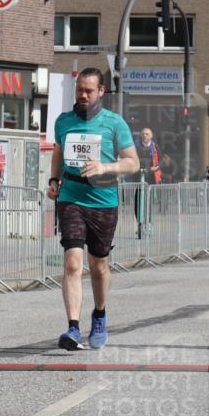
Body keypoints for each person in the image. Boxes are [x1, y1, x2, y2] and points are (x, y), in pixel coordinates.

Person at [47, 67, 140, 351]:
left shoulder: (114, 123)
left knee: (98, 266)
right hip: (71, 196)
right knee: (73, 262)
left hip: (103, 199)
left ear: (101, 91)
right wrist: (53, 179)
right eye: (79, 90)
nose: (83, 95)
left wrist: (105, 166)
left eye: (89, 90)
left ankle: (99, 314)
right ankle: (73, 328)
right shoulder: (63, 121)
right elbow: (59, 152)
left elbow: (133, 162)